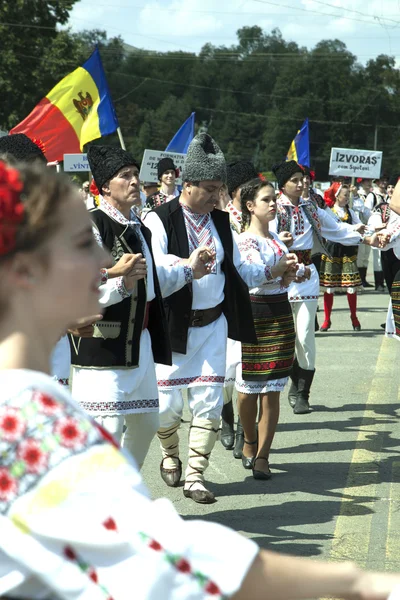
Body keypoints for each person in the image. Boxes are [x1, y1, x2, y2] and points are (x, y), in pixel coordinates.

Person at [2, 159, 400, 599]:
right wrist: (357, 583)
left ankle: (193, 471)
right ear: (28, 272)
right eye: (81, 244)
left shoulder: (30, 404)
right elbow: (157, 557)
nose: (101, 258)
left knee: (177, 413)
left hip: (203, 330)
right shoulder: (23, 419)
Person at [145, 134, 280, 504]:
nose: (216, 196)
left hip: (213, 326)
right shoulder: (158, 220)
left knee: (207, 401)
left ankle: (195, 476)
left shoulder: (220, 222)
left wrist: (275, 270)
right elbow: (156, 271)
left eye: (220, 189)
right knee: (167, 406)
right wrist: (189, 268)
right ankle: (170, 453)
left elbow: (240, 269)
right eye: (209, 188)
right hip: (173, 325)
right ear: (187, 184)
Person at [69, 145, 210, 469]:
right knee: (107, 430)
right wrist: (121, 284)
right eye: (125, 176)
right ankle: (103, 507)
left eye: (135, 174)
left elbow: (155, 279)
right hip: (102, 344)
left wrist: (190, 269)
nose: (134, 181)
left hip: (140, 345)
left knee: (147, 422)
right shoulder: (91, 226)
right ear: (105, 185)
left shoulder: (140, 228)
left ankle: (121, 493)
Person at [270, 161, 385, 415]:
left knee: (305, 335)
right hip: (279, 278)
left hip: (307, 274)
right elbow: (262, 238)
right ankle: (294, 383)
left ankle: (303, 393)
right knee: (286, 339)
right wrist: (279, 241)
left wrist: (364, 236)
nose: (301, 184)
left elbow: (336, 228)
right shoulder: (272, 207)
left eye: (302, 179)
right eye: (295, 180)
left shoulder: (311, 206)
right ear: (283, 184)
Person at [236, 179, 304, 479]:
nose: (273, 204)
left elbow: (282, 277)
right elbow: (251, 275)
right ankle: (249, 440)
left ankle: (264, 455)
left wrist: (291, 273)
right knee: (247, 392)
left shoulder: (276, 238)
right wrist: (278, 270)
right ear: (251, 206)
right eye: (266, 200)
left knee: (272, 391)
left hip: (279, 313)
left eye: (274, 199)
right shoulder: (244, 241)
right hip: (252, 314)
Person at [222, 160, 261, 455]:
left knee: (245, 369)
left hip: (254, 298)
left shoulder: (259, 216)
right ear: (237, 190)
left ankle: (242, 431)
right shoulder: (221, 217)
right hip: (225, 299)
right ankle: (226, 416)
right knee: (224, 371)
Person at [319, 183, 365, 332]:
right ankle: (327, 319)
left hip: (348, 251)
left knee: (351, 286)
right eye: (345, 195)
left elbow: (361, 225)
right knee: (329, 288)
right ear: (337, 196)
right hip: (332, 252)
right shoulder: (329, 213)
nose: (347, 197)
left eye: (348, 195)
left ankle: (354, 317)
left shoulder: (351, 212)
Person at [366, 176, 388, 292]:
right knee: (377, 257)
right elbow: (367, 211)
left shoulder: (389, 195)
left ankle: (384, 281)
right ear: (377, 182)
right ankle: (378, 283)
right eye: (382, 181)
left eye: (385, 180)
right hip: (376, 228)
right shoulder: (372, 196)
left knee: (386, 254)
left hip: (387, 229)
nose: (384, 183)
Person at [353, 178, 373, 287]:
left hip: (369, 226)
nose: (369, 183)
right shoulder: (358, 194)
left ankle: (364, 279)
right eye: (366, 181)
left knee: (366, 254)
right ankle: (360, 279)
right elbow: (359, 208)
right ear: (361, 182)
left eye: (369, 181)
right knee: (360, 254)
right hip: (359, 225)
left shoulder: (372, 194)